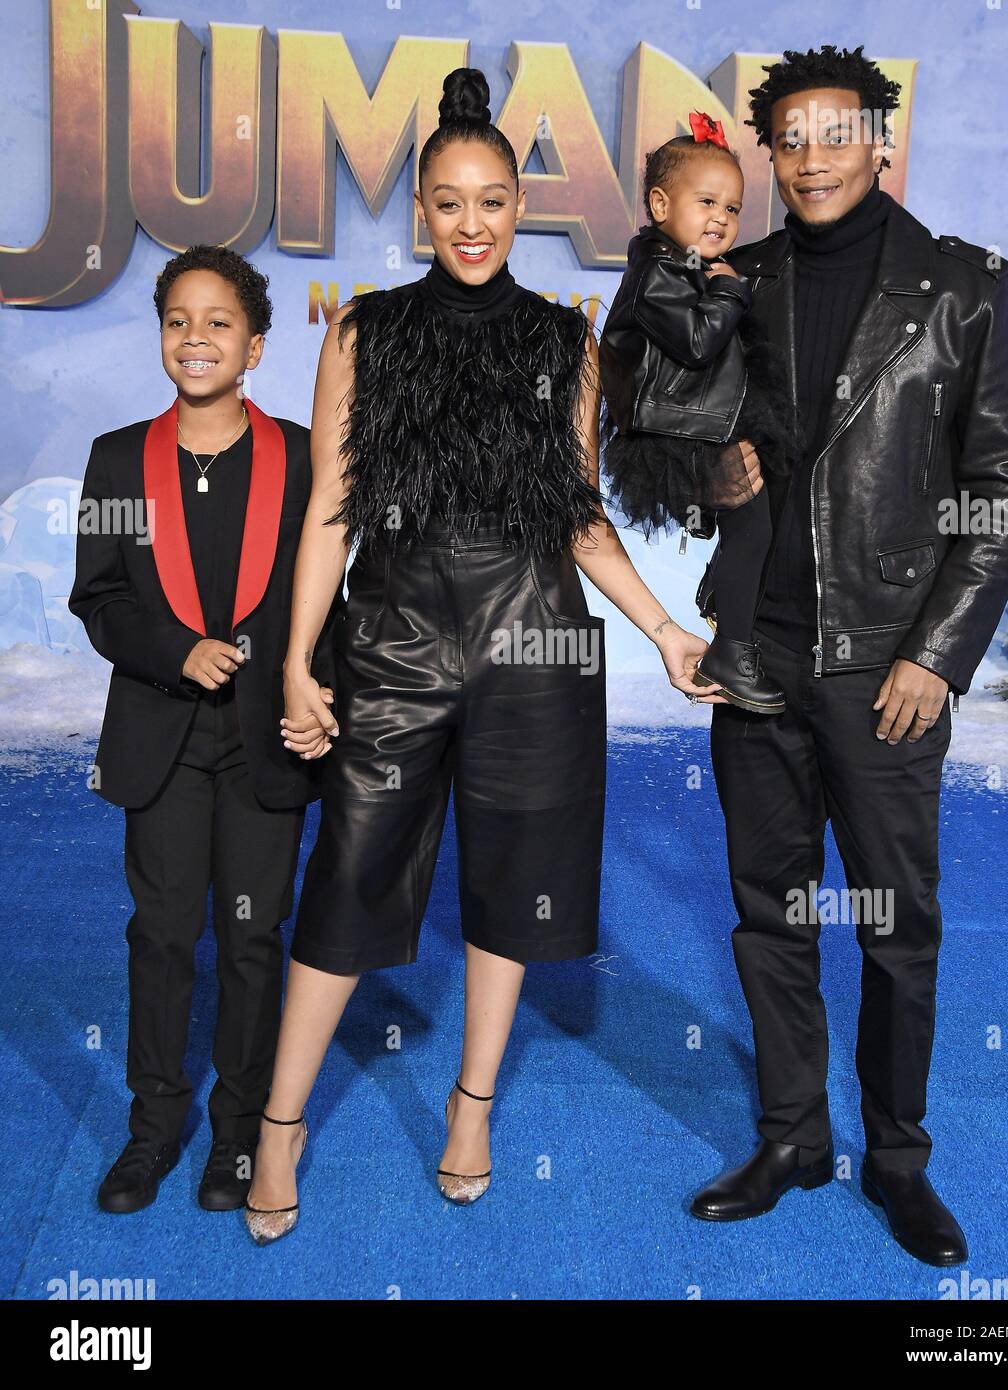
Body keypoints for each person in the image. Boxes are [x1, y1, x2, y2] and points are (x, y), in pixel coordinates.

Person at [241, 66, 718, 1244]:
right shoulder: (363, 331)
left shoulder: (567, 340)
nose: (470, 223)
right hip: (391, 638)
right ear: (419, 210)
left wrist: (660, 627)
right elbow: (330, 514)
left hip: (533, 646)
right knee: (346, 880)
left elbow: (579, 511)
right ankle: (278, 1126)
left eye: (492, 200)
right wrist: (300, 660)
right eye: (448, 201)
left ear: (520, 206)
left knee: (516, 882)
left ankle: (470, 1107)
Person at [689, 46, 1008, 1267]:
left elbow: (999, 493)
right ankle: (791, 1136)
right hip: (759, 659)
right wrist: (705, 473)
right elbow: (689, 444)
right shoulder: (735, 283)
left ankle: (896, 1160)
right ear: (769, 156)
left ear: (880, 143)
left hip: (887, 667)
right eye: (789, 137)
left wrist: (936, 657)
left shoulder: (963, 289)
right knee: (768, 913)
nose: (812, 154)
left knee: (895, 925)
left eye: (835, 132)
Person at [69, 245, 343, 1215]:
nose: (196, 337)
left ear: (256, 345)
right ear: (159, 339)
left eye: (218, 321)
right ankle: (153, 1130)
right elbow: (97, 595)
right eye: (177, 320)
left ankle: (238, 1133)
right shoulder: (114, 458)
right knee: (162, 933)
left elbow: (333, 607)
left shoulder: (306, 456)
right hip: (163, 739)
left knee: (253, 938)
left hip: (265, 738)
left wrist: (322, 699)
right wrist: (170, 650)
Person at [599, 110, 796, 711]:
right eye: (706, 201)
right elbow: (697, 342)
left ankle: (731, 627)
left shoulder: (684, 267)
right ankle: (732, 646)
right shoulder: (659, 269)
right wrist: (733, 290)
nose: (721, 218)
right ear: (661, 205)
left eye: (733, 208)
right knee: (752, 526)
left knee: (756, 526)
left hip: (698, 420)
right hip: (678, 431)